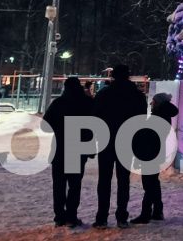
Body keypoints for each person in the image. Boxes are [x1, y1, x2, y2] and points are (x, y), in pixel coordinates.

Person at [93, 65, 147, 229]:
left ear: (113, 76)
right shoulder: (137, 96)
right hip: (126, 140)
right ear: (128, 76)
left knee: (104, 180)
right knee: (123, 181)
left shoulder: (104, 94)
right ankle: (121, 217)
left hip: (106, 140)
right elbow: (141, 120)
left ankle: (102, 217)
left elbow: (95, 117)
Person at [44, 76, 95, 228]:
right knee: (74, 185)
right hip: (78, 149)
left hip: (60, 149)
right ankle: (72, 216)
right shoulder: (87, 103)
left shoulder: (58, 103)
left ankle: (59, 216)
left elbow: (45, 124)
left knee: (59, 184)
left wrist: (59, 129)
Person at [132, 93, 179, 225]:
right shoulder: (163, 115)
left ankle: (145, 213)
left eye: (153, 101)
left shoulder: (159, 116)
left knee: (149, 184)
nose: (151, 103)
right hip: (156, 153)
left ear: (159, 103)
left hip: (150, 153)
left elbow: (148, 137)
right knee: (153, 182)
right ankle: (157, 211)